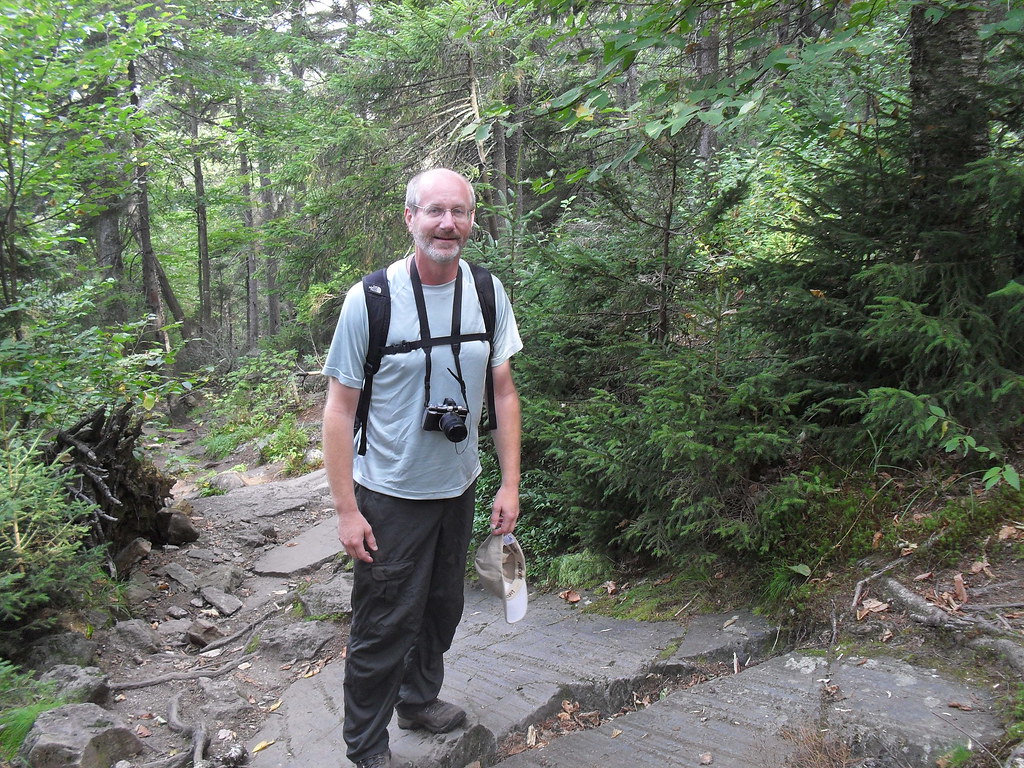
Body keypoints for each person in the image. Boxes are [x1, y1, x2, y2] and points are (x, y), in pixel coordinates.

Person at [321, 168, 523, 768]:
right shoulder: (372, 300)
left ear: (471, 219)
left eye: (459, 212)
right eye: (434, 211)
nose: (448, 223)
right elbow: (338, 407)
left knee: (442, 605)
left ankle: (417, 699)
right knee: (385, 622)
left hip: (458, 485)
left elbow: (505, 391)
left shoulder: (487, 292)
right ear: (409, 219)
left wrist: (509, 482)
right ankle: (365, 744)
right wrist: (346, 510)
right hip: (388, 492)